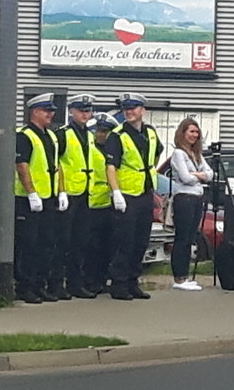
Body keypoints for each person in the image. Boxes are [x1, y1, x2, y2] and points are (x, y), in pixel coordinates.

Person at [104, 93, 160, 301]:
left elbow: (154, 156)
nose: (129, 112)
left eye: (133, 108)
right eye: (126, 108)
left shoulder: (151, 133)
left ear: (142, 111)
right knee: (124, 241)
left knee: (140, 241)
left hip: (145, 192)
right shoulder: (117, 136)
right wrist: (116, 192)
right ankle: (119, 284)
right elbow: (111, 167)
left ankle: (133, 281)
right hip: (126, 195)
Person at [14, 93, 63, 304]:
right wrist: (31, 192)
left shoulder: (51, 136)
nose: (50, 115)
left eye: (51, 111)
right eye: (46, 111)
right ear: (35, 112)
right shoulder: (24, 135)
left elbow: (56, 165)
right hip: (29, 200)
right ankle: (25, 287)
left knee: (47, 244)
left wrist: (61, 191)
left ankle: (39, 285)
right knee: (29, 246)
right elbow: (22, 165)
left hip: (49, 197)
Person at [54, 93, 98, 300]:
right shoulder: (63, 135)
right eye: (81, 110)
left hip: (85, 194)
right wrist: (61, 190)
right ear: (71, 111)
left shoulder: (90, 135)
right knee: (63, 241)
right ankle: (56, 283)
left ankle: (75, 283)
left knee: (81, 242)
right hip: (69, 195)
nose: (84, 114)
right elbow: (57, 165)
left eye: (87, 110)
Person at [170, 118, 212, 291]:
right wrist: (199, 175)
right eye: (191, 132)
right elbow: (185, 178)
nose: (194, 135)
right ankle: (178, 278)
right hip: (184, 198)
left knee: (190, 238)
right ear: (183, 133)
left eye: (196, 132)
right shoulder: (179, 154)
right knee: (182, 237)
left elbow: (210, 173)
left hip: (196, 197)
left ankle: (185, 275)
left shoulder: (197, 155)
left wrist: (196, 174)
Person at [83, 112, 119, 295]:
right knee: (91, 248)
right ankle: (89, 281)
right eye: (99, 130)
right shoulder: (90, 148)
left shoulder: (110, 150)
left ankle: (101, 280)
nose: (101, 134)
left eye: (105, 131)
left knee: (106, 247)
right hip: (91, 203)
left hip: (108, 204)